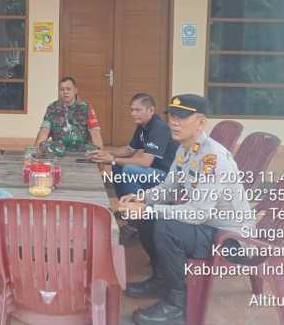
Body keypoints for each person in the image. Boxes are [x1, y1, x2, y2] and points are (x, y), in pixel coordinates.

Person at [117, 94, 255, 325]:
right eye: (172, 116)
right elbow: (169, 189)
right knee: (149, 214)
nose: (174, 122)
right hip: (206, 226)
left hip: (230, 238)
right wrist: (141, 198)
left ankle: (176, 306)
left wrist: (148, 210)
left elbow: (198, 213)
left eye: (181, 117)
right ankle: (161, 280)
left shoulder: (213, 158)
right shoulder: (185, 149)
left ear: (201, 122)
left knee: (165, 225)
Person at [87, 93, 178, 198]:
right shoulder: (142, 125)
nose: (133, 114)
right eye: (132, 110)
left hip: (166, 176)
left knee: (129, 169)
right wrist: (103, 153)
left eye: (138, 110)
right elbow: (129, 150)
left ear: (151, 110)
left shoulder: (158, 127)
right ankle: (122, 200)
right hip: (152, 170)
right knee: (117, 165)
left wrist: (112, 159)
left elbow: (145, 162)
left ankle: (137, 204)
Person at [34, 76, 103, 154]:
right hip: (58, 150)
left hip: (82, 151)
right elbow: (44, 131)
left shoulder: (86, 107)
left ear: (75, 90)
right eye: (62, 89)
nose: (65, 92)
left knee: (95, 149)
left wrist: (100, 154)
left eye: (68, 89)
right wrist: (37, 151)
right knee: (42, 146)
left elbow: (95, 132)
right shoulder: (52, 108)